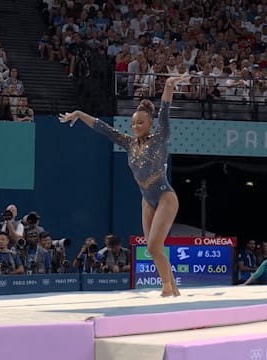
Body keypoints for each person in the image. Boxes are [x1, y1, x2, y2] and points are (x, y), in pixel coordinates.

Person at [59, 73, 189, 297]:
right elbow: (103, 128)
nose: (136, 126)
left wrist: (168, 86)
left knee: (152, 247)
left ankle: (167, 289)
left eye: (141, 123)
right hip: (146, 200)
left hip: (166, 196)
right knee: (155, 249)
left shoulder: (160, 137)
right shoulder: (129, 143)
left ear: (150, 123)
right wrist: (79, 114)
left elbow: (165, 111)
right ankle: (173, 289)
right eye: (133, 123)